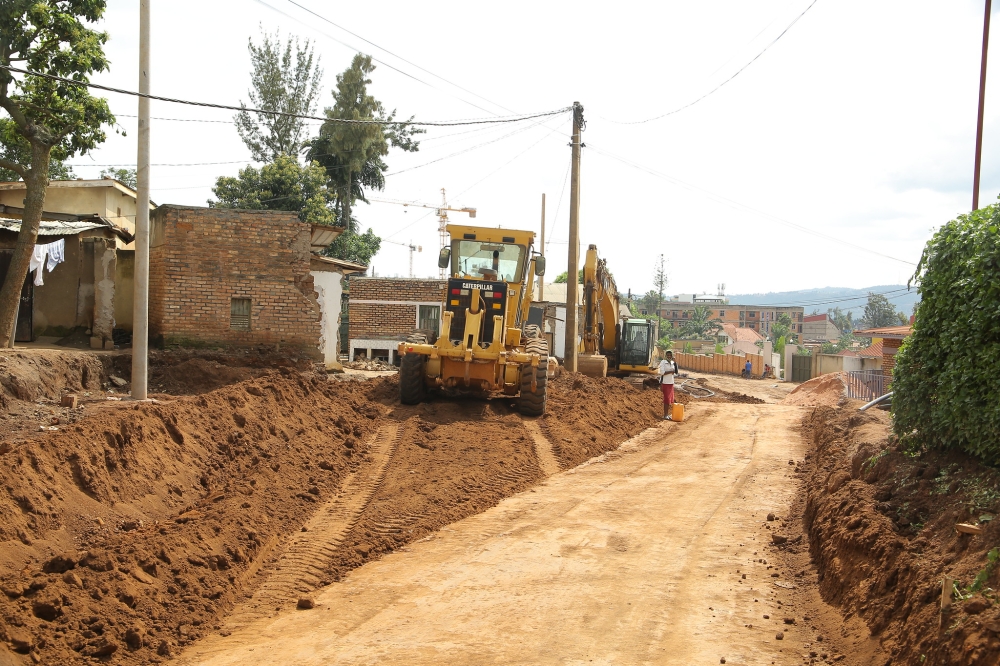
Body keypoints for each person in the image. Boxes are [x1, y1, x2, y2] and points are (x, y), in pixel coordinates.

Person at [658, 351, 678, 420]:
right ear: (665, 355)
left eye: (670, 355)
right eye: (668, 355)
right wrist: (670, 372)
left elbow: (676, 372)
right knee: (666, 399)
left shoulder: (672, 363)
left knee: (669, 400)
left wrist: (675, 363)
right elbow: (662, 372)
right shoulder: (663, 362)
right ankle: (665, 415)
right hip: (665, 383)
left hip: (671, 383)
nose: (669, 356)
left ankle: (667, 414)